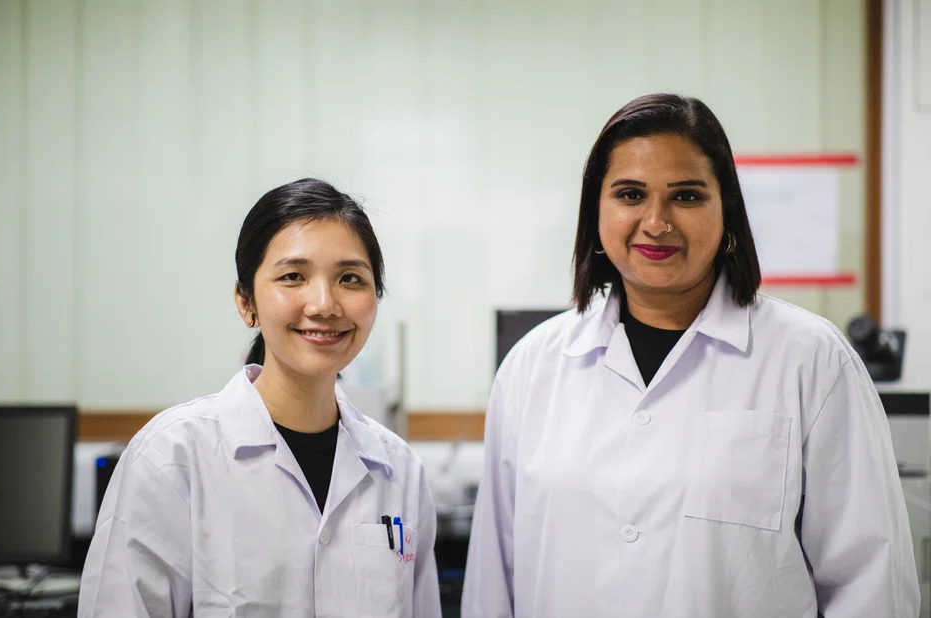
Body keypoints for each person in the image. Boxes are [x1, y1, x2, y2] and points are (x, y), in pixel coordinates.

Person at [461, 94, 919, 617]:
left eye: (686, 196)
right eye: (630, 194)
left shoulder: (811, 360)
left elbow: (871, 585)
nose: (656, 222)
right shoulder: (532, 367)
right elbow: (493, 584)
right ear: (596, 212)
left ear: (727, 212)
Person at [79, 178, 441, 617]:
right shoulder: (172, 458)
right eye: (293, 277)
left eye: (350, 278)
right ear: (246, 302)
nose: (324, 304)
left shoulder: (400, 471)